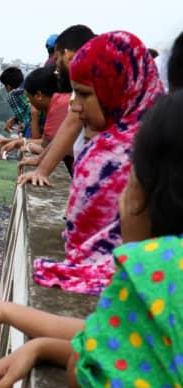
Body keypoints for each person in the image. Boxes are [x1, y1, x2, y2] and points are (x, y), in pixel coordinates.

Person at [0, 91, 183, 388]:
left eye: (125, 181)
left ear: (151, 195)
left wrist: (42, 342)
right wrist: (29, 331)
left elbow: (87, 376)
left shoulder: (156, 268)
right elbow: (130, 344)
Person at [32, 31, 165, 295]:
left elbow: (83, 248)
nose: (77, 108)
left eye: (84, 95)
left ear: (115, 88)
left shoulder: (113, 157)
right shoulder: (159, 134)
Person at [19, 25, 97, 186]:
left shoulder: (93, 82)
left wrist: (43, 169)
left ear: (67, 55)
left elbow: (71, 124)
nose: (55, 70)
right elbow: (66, 128)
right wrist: (41, 161)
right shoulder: (82, 82)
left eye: (57, 59)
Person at [0, 67, 32, 137]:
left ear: (8, 87)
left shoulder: (12, 95)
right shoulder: (29, 87)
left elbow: (22, 117)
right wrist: (15, 119)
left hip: (31, 129)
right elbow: (27, 109)